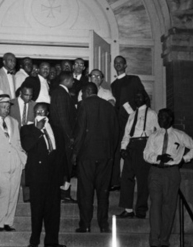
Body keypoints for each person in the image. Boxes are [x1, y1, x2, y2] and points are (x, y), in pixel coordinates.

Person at [72, 83, 119, 233]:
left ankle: (85, 225)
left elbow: (80, 132)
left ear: (86, 91)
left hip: (87, 156)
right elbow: (116, 133)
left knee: (85, 192)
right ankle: (104, 225)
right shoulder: (108, 107)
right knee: (103, 192)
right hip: (106, 156)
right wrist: (110, 152)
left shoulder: (83, 105)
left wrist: (75, 153)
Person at [143, 108, 193, 247]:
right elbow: (146, 154)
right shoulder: (154, 136)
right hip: (156, 172)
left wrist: (184, 158)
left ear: (170, 119)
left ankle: (164, 240)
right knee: (155, 205)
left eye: (163, 117)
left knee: (169, 207)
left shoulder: (179, 135)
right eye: (159, 117)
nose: (160, 120)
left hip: (172, 173)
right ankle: (154, 240)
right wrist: (157, 157)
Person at [21, 103, 66, 247]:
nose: (40, 113)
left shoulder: (57, 130)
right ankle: (34, 242)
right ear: (34, 113)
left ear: (48, 113)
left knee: (53, 212)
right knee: (37, 211)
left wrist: (64, 176)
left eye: (43, 110)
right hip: (37, 176)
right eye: (37, 110)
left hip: (53, 176)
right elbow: (27, 146)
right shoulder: (27, 129)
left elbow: (61, 154)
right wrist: (38, 130)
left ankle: (52, 242)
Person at [0, 94, 27, 231]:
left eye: (8, 107)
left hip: (15, 161)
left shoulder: (14, 122)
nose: (6, 110)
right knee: (4, 191)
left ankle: (8, 222)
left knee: (14, 193)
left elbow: (17, 141)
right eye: (3, 107)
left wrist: (22, 159)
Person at [117, 90, 159, 219]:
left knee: (142, 179)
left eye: (139, 97)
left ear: (145, 99)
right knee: (126, 178)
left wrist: (152, 149)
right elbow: (127, 133)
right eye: (135, 97)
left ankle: (141, 209)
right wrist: (123, 147)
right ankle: (128, 209)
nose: (137, 99)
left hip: (143, 145)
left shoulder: (152, 114)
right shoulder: (132, 115)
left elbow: (157, 133)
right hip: (131, 146)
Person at [110, 55, 149, 191]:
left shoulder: (133, 80)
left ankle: (135, 181)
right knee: (117, 151)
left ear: (125, 65)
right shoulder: (113, 85)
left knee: (133, 152)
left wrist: (141, 117)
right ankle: (115, 181)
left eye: (121, 62)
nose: (118, 64)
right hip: (119, 123)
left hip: (134, 122)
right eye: (116, 63)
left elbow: (144, 98)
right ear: (114, 66)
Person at [50, 71, 76, 203]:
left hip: (62, 135)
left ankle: (64, 194)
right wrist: (70, 136)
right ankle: (63, 195)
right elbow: (63, 117)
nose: (73, 82)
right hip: (63, 136)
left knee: (65, 166)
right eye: (72, 80)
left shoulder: (60, 92)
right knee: (65, 166)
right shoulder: (60, 93)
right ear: (66, 80)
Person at [9, 83, 36, 202]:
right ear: (20, 92)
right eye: (26, 95)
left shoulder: (35, 105)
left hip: (28, 140)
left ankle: (27, 194)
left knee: (27, 166)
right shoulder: (10, 104)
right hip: (13, 139)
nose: (28, 98)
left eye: (30, 95)